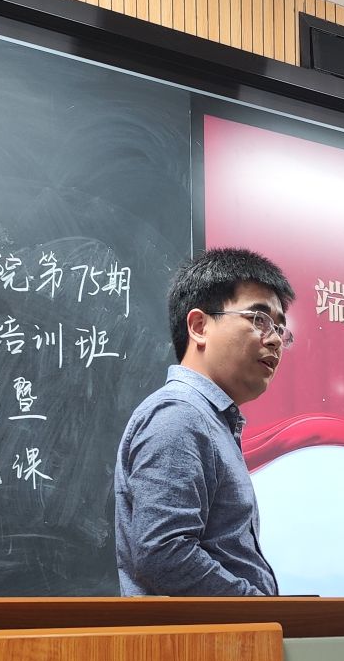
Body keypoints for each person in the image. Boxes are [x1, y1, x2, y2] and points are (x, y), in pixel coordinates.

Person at [113, 247, 295, 596]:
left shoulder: (209, 420)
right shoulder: (179, 415)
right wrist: (259, 607)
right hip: (208, 634)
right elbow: (164, 553)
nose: (274, 339)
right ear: (199, 326)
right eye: (259, 319)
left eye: (281, 328)